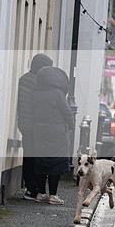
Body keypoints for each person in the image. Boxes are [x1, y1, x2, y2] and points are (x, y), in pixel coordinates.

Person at [32, 66, 73, 205]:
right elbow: (67, 112)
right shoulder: (57, 93)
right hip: (57, 133)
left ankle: (41, 193)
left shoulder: (36, 93)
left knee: (41, 162)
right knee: (56, 163)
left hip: (40, 132)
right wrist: (71, 125)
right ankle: (53, 195)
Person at [17, 53, 53, 200]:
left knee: (29, 157)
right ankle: (35, 189)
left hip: (25, 125)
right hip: (36, 127)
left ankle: (31, 189)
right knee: (38, 160)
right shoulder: (39, 83)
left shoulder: (24, 79)